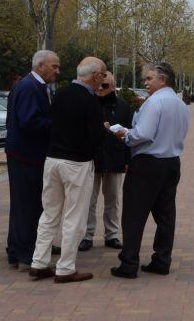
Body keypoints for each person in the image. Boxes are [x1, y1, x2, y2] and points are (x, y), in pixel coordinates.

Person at [30, 57, 108, 283]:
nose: (102, 81)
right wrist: (102, 130)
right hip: (77, 163)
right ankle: (65, 268)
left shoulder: (60, 93)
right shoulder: (90, 100)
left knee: (49, 213)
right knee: (75, 216)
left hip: (52, 159)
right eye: (102, 76)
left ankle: (39, 262)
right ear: (94, 76)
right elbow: (95, 138)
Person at [110, 62, 190, 279]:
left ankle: (129, 264)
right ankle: (162, 260)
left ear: (163, 80)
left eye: (149, 78)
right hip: (171, 161)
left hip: (147, 163)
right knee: (166, 215)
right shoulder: (180, 103)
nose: (145, 82)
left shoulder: (155, 102)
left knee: (134, 215)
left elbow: (143, 133)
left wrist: (125, 135)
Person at [4, 50, 60, 271]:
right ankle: (26, 253)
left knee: (28, 204)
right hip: (25, 156)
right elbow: (29, 122)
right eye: (54, 66)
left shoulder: (33, 86)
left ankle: (23, 248)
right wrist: (57, 125)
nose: (57, 70)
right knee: (27, 205)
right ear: (40, 66)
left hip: (27, 155)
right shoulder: (29, 88)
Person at [79, 72, 132, 252]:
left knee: (113, 200)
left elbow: (130, 134)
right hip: (91, 159)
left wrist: (127, 160)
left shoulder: (123, 107)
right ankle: (87, 235)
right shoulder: (88, 103)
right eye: (100, 85)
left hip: (115, 158)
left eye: (106, 86)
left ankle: (112, 235)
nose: (101, 89)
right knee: (89, 200)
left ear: (113, 86)